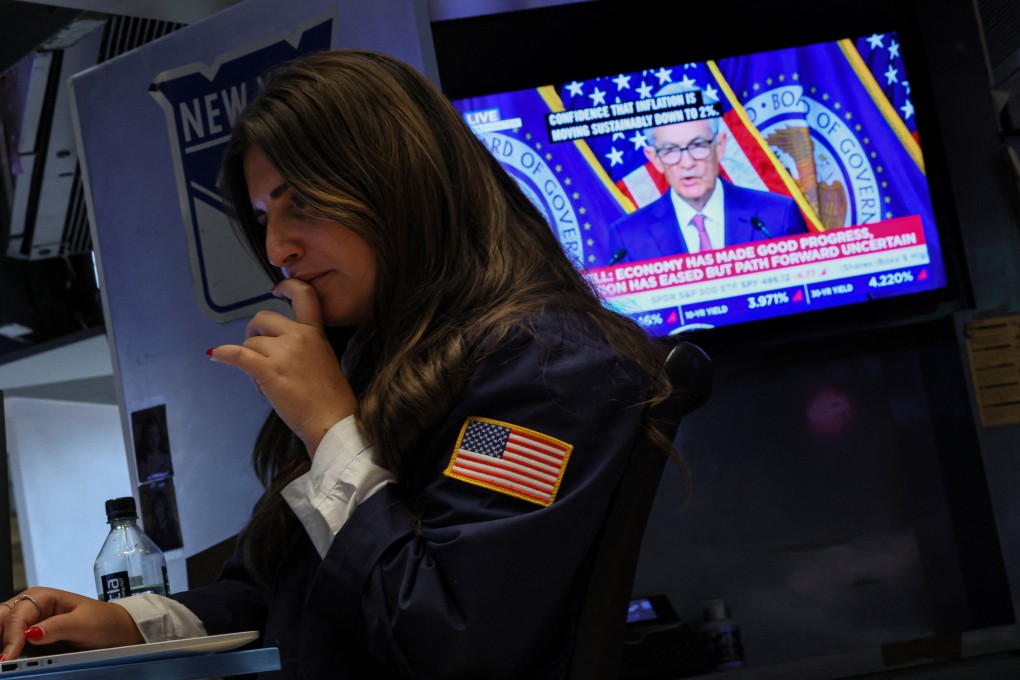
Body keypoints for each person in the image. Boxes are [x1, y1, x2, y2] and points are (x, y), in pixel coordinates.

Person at [0, 49, 677, 678]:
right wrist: (124, 623)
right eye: (265, 214)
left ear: (397, 183)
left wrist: (329, 427)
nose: (276, 249)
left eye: (302, 201)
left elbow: (447, 638)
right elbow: (276, 598)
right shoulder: (379, 365)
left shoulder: (545, 367)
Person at [606, 111, 808, 263]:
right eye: (670, 150)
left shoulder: (777, 216)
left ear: (719, 146)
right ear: (655, 158)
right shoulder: (629, 237)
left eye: (698, 145)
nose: (687, 163)